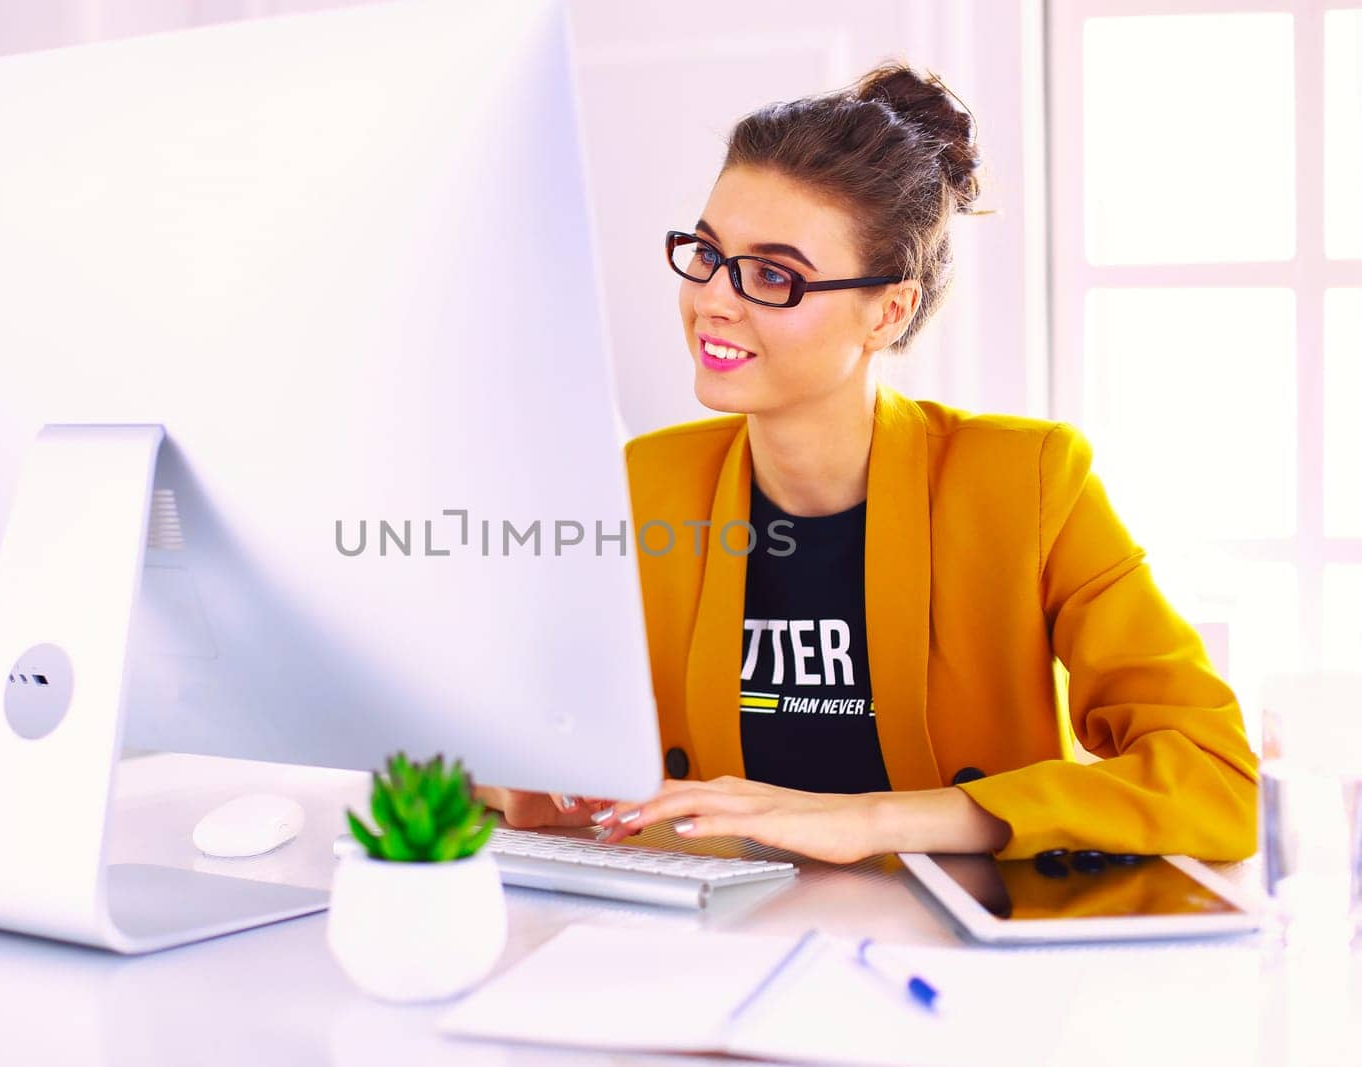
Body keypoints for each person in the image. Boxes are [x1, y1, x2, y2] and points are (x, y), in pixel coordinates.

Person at [475, 61, 1257, 863]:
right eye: (707, 254)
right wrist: (514, 774)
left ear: (889, 310)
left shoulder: (1028, 482)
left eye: (774, 274)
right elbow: (488, 722)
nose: (714, 297)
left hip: (964, 961)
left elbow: (1219, 781)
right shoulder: (648, 486)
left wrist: (874, 818)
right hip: (717, 947)